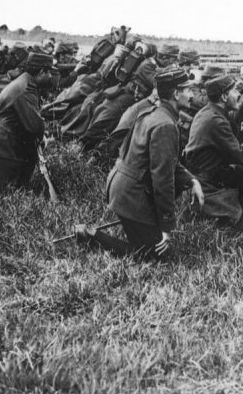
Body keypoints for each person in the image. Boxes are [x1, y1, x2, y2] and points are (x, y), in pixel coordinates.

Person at [75, 67, 204, 260]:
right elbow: (163, 180)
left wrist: (192, 181)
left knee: (149, 246)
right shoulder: (165, 125)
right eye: (187, 90)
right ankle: (91, 236)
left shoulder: (151, 113)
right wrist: (166, 227)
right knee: (155, 257)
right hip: (131, 197)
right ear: (176, 94)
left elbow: (168, 162)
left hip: (121, 190)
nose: (192, 95)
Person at [182, 74, 243, 226]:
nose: (239, 94)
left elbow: (238, 112)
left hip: (207, 175)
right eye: (234, 91)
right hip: (207, 186)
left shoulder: (209, 112)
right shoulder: (216, 121)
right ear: (223, 96)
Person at [0, 52, 56, 189]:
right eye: (49, 73)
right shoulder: (26, 88)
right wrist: (43, 137)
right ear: (41, 72)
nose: (51, 77)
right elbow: (35, 127)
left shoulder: (23, 80)